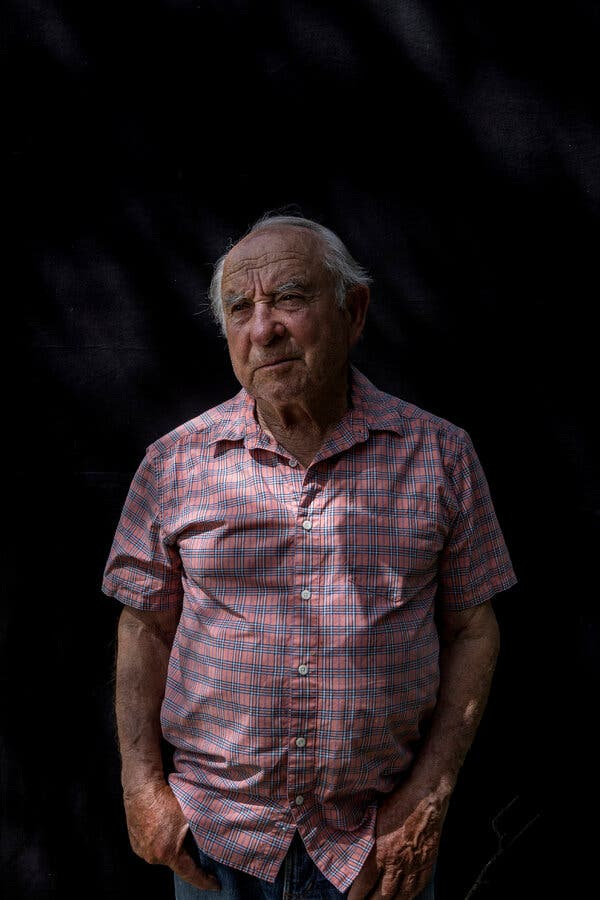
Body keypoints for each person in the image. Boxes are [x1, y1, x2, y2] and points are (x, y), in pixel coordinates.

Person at [103, 214, 517, 900]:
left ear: (353, 312)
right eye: (241, 309)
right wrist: (142, 787)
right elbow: (142, 626)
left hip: (377, 843)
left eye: (289, 299)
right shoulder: (173, 465)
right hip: (216, 841)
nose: (263, 328)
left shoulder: (440, 455)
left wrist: (427, 799)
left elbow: (475, 628)